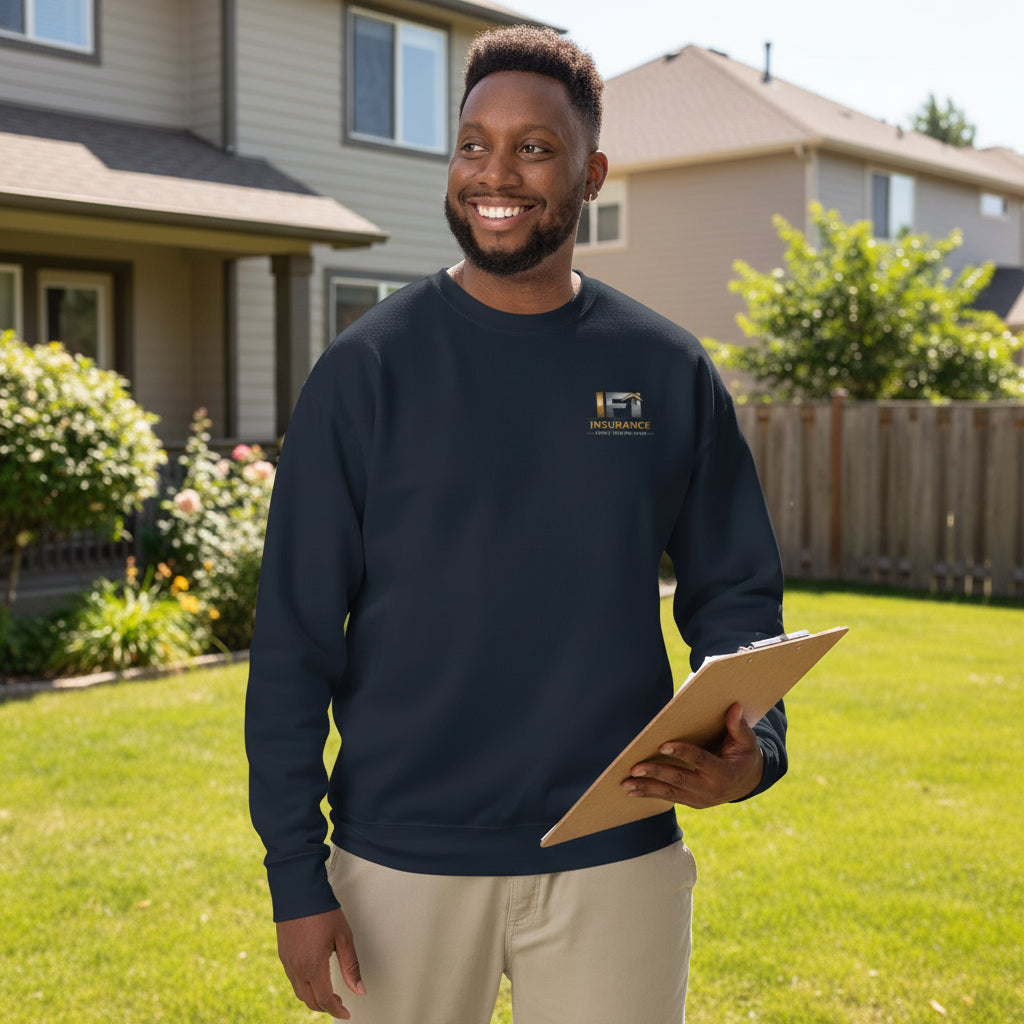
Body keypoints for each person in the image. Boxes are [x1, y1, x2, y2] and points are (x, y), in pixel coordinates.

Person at [245, 25, 787, 1024]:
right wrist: (295, 874)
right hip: (398, 863)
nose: (497, 173)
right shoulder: (364, 374)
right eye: (473, 144)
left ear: (591, 174)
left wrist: (757, 744)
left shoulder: (667, 369)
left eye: (535, 148)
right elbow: (291, 646)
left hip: (616, 856)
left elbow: (736, 593)